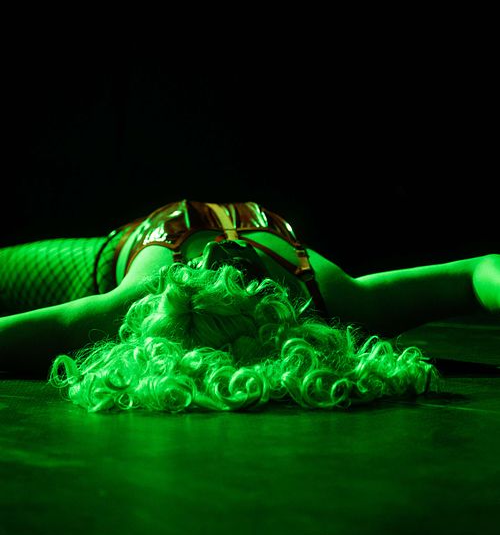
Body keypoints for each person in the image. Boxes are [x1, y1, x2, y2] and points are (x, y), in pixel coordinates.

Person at [0, 199, 498, 414]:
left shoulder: (141, 302)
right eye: (243, 282)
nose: (221, 255)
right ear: (273, 315)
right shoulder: (334, 297)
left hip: (99, 259)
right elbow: (477, 272)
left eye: (204, 280)